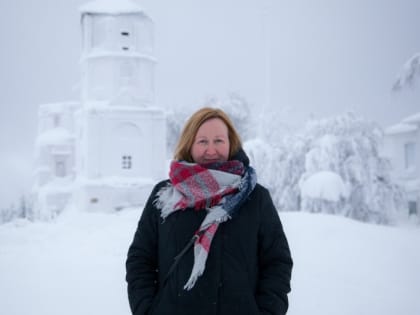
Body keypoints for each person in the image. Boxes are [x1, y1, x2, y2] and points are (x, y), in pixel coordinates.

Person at [126, 107, 293, 315]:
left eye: (219, 141)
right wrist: (147, 309)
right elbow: (140, 259)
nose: (211, 150)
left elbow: (277, 262)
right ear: (190, 144)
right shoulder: (165, 194)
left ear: (231, 143)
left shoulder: (255, 198)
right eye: (203, 141)